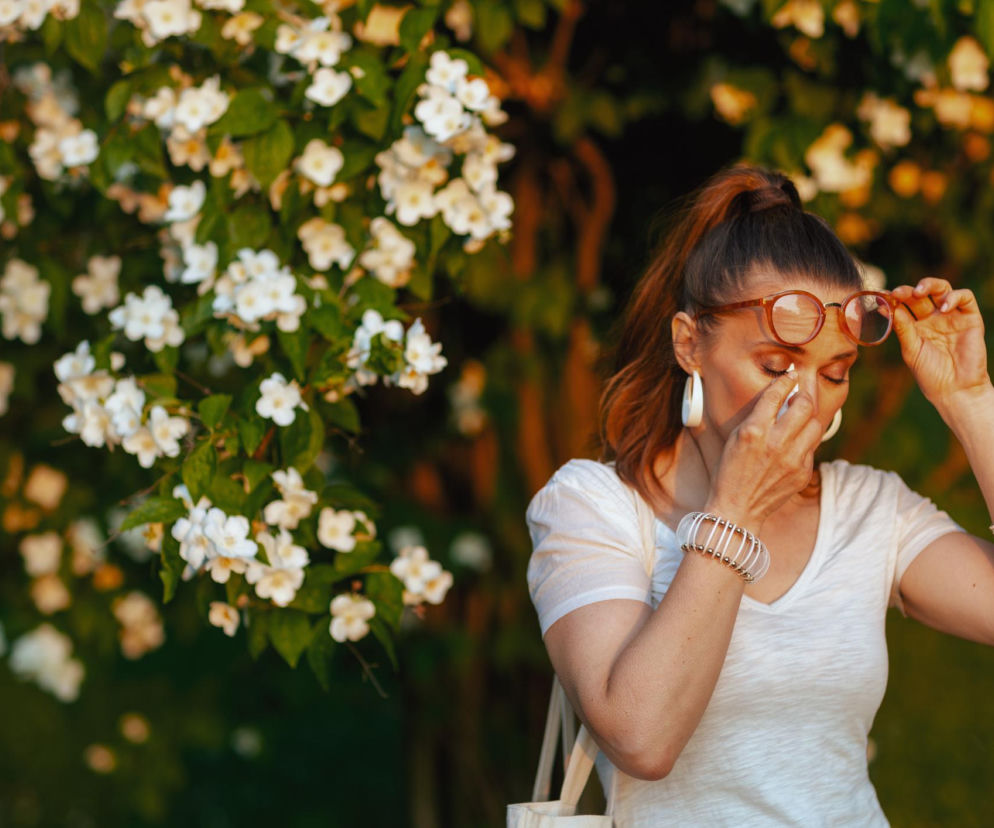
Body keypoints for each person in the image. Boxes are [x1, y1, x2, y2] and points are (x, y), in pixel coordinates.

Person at [524, 165, 994, 825]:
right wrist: (734, 507)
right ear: (690, 344)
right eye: (775, 366)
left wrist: (970, 401)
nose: (804, 397)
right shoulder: (593, 506)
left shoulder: (869, 509)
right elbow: (642, 738)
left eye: (835, 373)